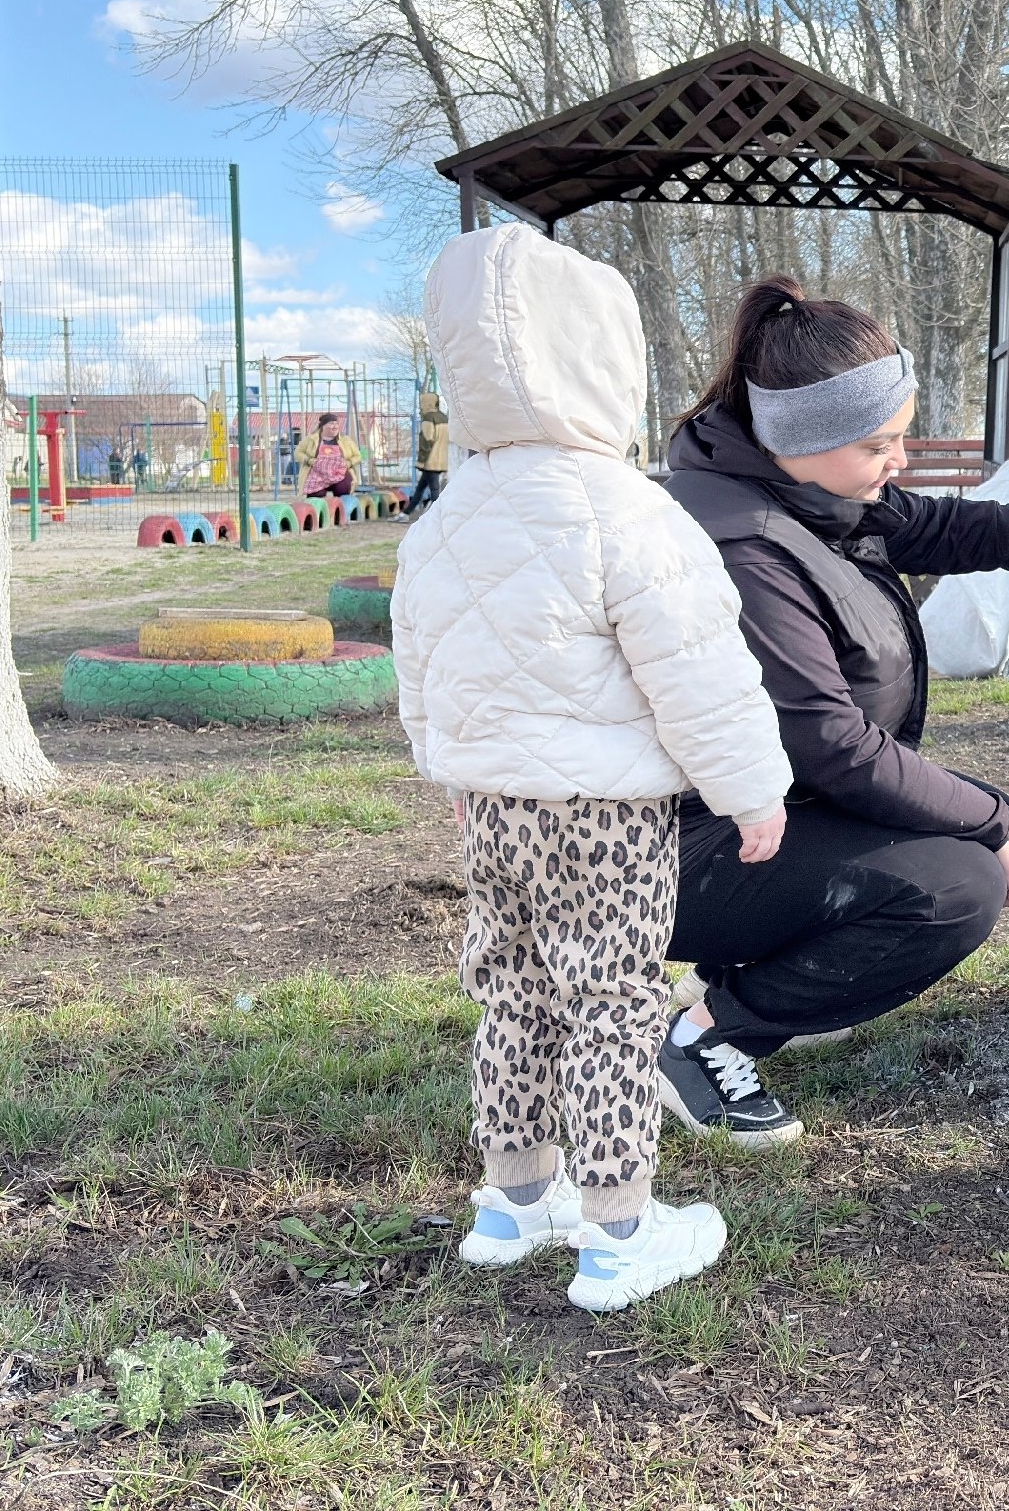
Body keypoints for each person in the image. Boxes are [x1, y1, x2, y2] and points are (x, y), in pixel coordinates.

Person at [393, 223, 795, 1312]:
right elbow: (700, 669)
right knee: (613, 1004)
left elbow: (419, 659)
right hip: (609, 818)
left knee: (511, 991)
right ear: (604, 367)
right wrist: (752, 790)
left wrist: (451, 762)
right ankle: (620, 1231)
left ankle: (513, 1200)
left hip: (493, 809)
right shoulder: (630, 512)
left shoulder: (448, 513)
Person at [654, 277, 1009, 1148]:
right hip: (682, 849)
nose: (897, 461)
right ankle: (705, 1036)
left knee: (967, 831)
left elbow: (942, 529)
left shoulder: (807, 493)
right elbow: (831, 746)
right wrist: (992, 822)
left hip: (768, 810)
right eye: (879, 445)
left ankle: (770, 968)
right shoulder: (742, 547)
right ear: (799, 438)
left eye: (900, 435)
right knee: (958, 883)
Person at [408, 389, 451, 513]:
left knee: (434, 490)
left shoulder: (428, 418)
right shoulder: (444, 417)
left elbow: (427, 440)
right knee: (421, 488)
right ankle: (406, 512)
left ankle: (439, 514)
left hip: (430, 460)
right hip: (442, 459)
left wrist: (421, 460)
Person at [303, 413, 354, 500]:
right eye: (331, 424)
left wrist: (349, 462)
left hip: (339, 472)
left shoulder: (345, 440)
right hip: (319, 474)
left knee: (342, 489)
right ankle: (318, 511)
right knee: (315, 495)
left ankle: (342, 509)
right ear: (323, 426)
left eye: (336, 424)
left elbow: (357, 456)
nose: (334, 426)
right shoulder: (312, 439)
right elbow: (299, 453)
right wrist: (308, 460)